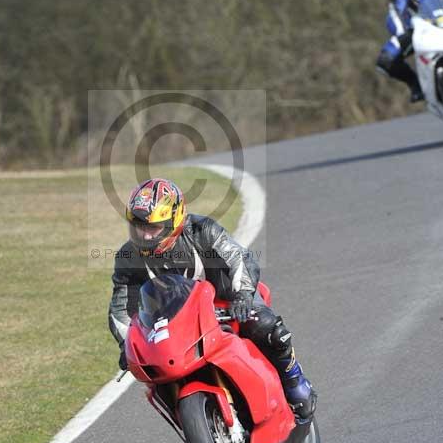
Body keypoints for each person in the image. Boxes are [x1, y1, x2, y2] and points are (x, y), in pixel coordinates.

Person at [108, 177, 317, 420]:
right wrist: (126, 346)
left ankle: (295, 382)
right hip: (175, 320)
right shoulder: (127, 257)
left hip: (228, 302)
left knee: (266, 327)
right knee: (153, 374)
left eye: (152, 228)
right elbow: (122, 307)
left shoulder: (202, 230)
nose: (144, 236)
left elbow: (239, 259)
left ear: (174, 222)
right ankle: (196, 423)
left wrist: (242, 295)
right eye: (138, 227)